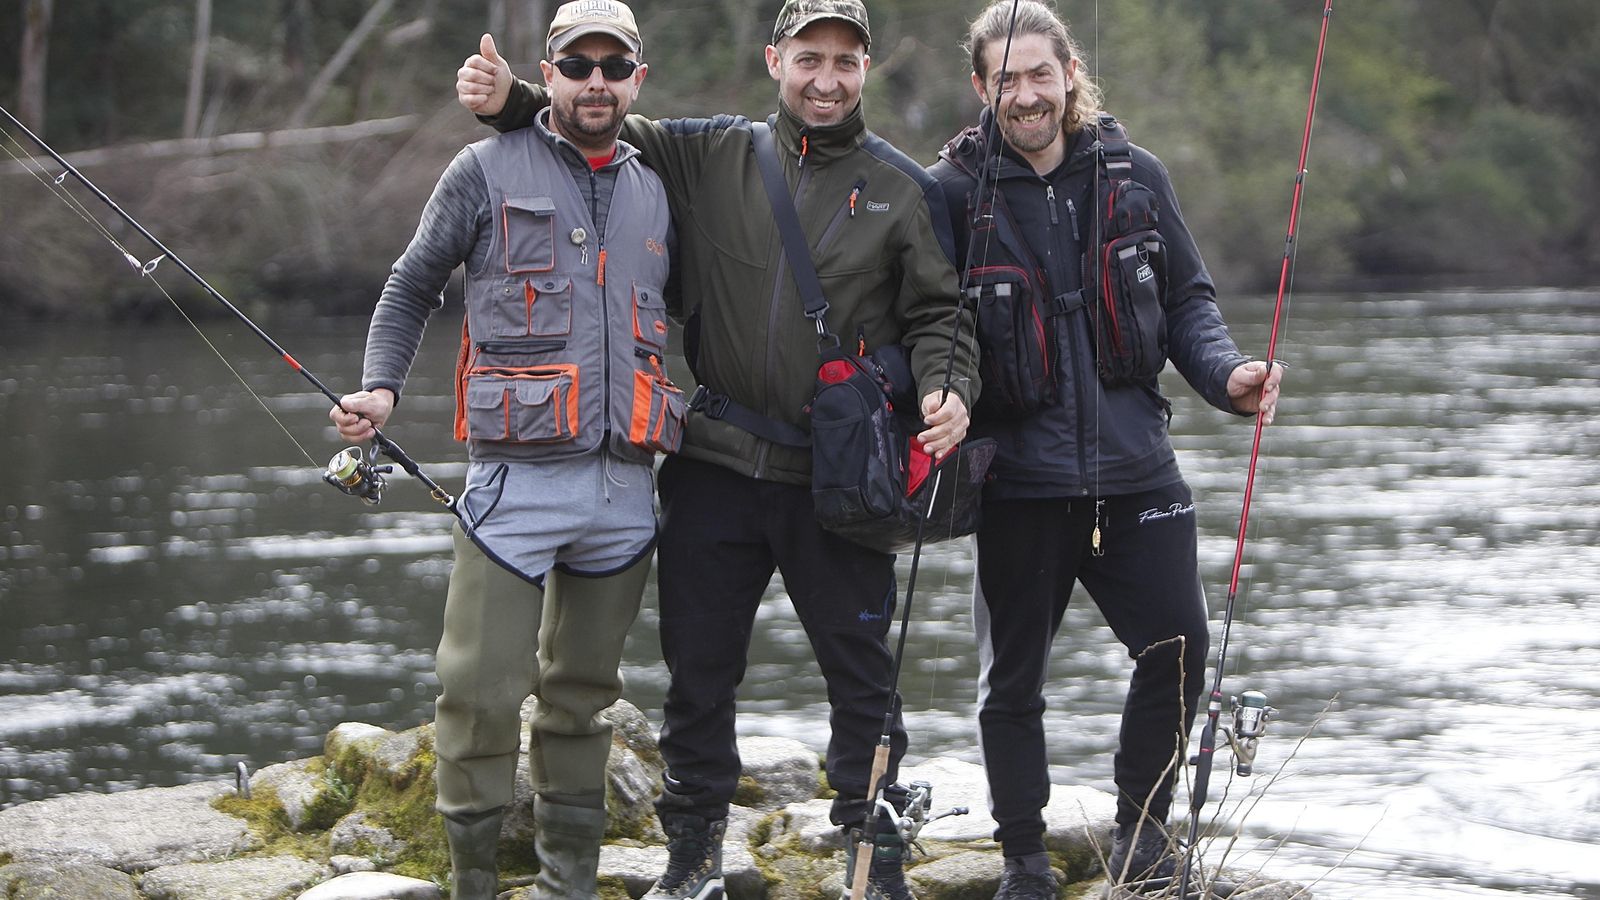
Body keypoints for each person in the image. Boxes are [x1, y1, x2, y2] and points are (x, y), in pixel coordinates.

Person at [456, 2, 979, 897]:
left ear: (865, 69)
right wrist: (509, 101)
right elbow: (597, 117)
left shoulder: (903, 188)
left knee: (862, 678)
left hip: (838, 479)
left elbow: (943, 315)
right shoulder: (708, 152)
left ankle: (874, 852)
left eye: (844, 61)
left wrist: (949, 386)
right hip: (715, 464)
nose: (825, 79)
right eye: (808, 58)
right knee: (697, 675)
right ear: (775, 60)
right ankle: (693, 857)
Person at [926, 3, 1283, 898]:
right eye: (1006, 80)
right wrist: (941, 396)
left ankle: (1144, 838)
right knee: (1012, 684)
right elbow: (930, 329)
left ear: (1070, 74)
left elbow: (1190, 303)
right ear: (981, 88)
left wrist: (1229, 376)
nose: (1026, 95)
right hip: (1018, 485)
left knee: (1180, 650)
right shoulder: (949, 195)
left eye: (1040, 75)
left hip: (1137, 471)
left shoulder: (1137, 176)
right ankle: (1023, 861)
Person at [329, 3, 681, 898]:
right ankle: (473, 884)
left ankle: (570, 883)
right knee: (478, 695)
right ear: (548, 73)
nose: (596, 81)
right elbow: (411, 283)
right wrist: (381, 389)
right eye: (578, 64)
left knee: (584, 700)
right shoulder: (480, 170)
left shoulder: (662, 185)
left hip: (625, 494)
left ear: (637, 80)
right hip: (514, 486)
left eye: (614, 66)